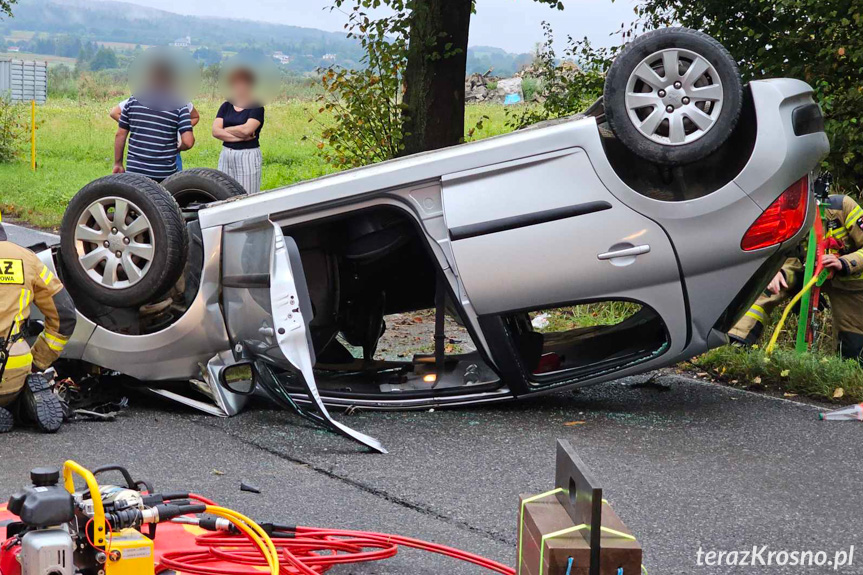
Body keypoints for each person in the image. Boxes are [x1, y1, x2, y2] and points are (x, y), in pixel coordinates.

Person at [729, 193, 863, 360]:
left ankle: (846, 370)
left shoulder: (842, 206)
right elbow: (770, 248)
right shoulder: (780, 211)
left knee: (854, 350)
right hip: (800, 272)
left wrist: (845, 263)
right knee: (765, 288)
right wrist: (773, 270)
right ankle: (734, 348)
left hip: (847, 282)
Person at [0, 213, 77, 433]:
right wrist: (37, 363)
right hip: (15, 365)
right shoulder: (27, 259)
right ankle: (22, 406)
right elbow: (65, 316)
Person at [212, 67, 265, 194]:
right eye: (236, 83)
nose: (239, 86)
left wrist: (226, 129)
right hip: (226, 154)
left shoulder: (256, 106)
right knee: (223, 192)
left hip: (247, 155)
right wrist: (239, 136)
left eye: (243, 83)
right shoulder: (226, 106)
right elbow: (215, 131)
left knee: (247, 194)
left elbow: (247, 130)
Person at [111, 100, 199, 172]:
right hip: (165, 171)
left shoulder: (133, 101)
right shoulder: (179, 103)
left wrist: (118, 163)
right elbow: (188, 142)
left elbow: (120, 134)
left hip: (135, 171)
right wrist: (178, 145)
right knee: (167, 192)